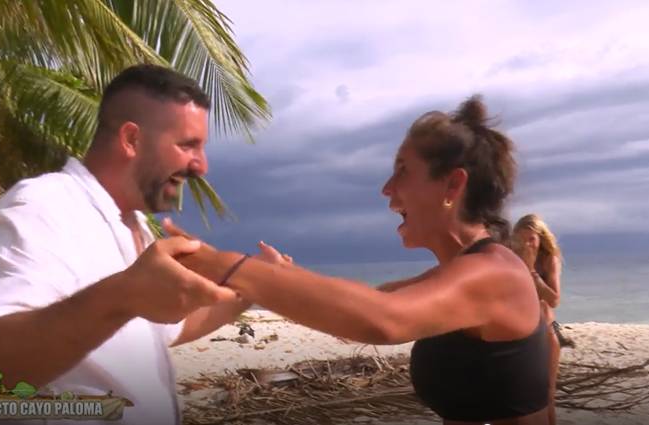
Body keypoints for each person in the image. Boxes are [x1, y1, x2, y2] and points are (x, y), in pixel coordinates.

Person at [169, 95, 551, 425]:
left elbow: (384, 318)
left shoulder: (495, 273)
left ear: (453, 185)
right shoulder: (458, 273)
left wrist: (229, 266)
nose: (386, 188)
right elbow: (364, 306)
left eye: (403, 170)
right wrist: (280, 275)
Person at [0, 64, 254, 425]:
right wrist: (123, 295)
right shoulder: (43, 206)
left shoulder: (135, 226)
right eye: (187, 145)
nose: (201, 166)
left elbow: (170, 328)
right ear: (132, 140)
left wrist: (247, 292)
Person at [512, 214, 570, 425]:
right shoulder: (511, 259)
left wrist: (532, 272)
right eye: (522, 239)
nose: (527, 244)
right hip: (519, 331)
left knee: (547, 395)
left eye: (531, 239)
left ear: (540, 238)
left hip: (546, 329)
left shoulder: (548, 259)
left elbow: (554, 299)